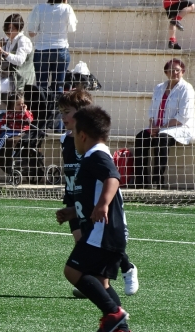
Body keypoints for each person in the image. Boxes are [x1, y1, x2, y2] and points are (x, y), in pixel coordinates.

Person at [55, 105, 133, 332]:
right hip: (109, 232)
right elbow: (91, 194)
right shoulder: (94, 155)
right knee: (99, 282)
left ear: (83, 135)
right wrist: (74, 212)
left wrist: (103, 205)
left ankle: (114, 313)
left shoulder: (96, 154)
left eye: (74, 130)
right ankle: (121, 331)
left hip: (103, 231)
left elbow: (112, 178)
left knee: (73, 271)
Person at [58, 89, 139, 298]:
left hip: (96, 206)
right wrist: (72, 205)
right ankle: (98, 291)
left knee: (95, 248)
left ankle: (126, 268)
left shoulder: (94, 148)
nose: (63, 116)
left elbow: (111, 176)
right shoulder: (66, 140)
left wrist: (102, 204)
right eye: (61, 112)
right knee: (82, 244)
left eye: (68, 112)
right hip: (76, 200)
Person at [133, 58, 195, 187]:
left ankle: (158, 182)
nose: (174, 73)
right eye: (170, 70)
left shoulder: (187, 89)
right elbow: (152, 111)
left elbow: (183, 116)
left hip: (179, 127)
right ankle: (141, 181)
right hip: (159, 127)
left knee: (162, 138)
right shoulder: (159, 88)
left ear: (183, 71)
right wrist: (152, 126)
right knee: (141, 137)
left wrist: (161, 128)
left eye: (177, 70)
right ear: (166, 72)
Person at [25, 0, 77, 94]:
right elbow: (72, 29)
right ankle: (57, 107)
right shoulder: (67, 8)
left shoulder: (39, 8)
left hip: (42, 50)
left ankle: (43, 107)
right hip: (61, 50)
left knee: (41, 86)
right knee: (59, 85)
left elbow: (31, 33)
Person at [0, 13, 35, 107]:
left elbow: (20, 60)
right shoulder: (8, 39)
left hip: (19, 78)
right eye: (6, 28)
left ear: (18, 27)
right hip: (8, 75)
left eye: (11, 28)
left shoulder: (23, 40)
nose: (8, 31)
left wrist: (3, 52)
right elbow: (2, 47)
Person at [0, 90, 32, 159]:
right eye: (18, 104)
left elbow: (29, 120)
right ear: (12, 106)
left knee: (4, 135)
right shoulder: (9, 113)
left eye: (22, 103)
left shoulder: (25, 112)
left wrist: (25, 111)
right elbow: (2, 121)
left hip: (20, 131)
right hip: (10, 129)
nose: (21, 106)